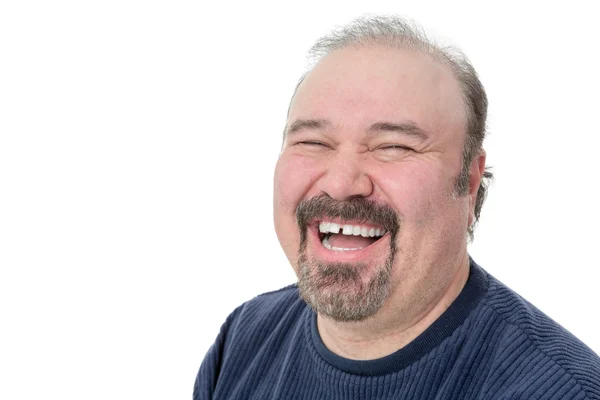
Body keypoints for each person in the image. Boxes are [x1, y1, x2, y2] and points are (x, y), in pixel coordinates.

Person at [194, 15, 600, 400]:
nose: (340, 184)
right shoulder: (244, 340)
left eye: (394, 147)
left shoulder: (561, 390)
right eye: (313, 142)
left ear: (471, 180)